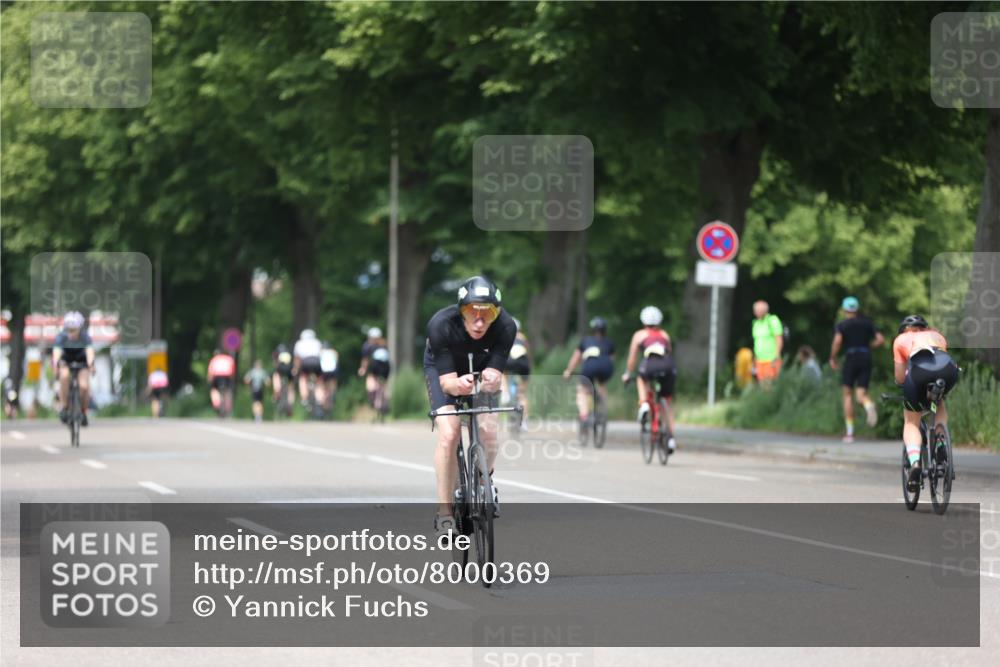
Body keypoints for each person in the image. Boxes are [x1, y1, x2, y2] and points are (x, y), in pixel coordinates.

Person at [424, 276, 516, 536]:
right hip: (445, 371)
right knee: (450, 433)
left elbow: (495, 373)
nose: (479, 322)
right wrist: (458, 385)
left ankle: (484, 483)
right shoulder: (440, 325)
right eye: (472, 313)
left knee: (488, 429)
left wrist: (492, 379)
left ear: (496, 314)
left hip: (481, 367)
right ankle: (444, 514)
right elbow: (447, 384)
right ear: (460, 311)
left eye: (487, 315)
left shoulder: (506, 327)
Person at [892, 315, 959, 491]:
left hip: (919, 372)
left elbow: (900, 377)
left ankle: (915, 462)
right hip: (948, 369)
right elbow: (937, 360)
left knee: (911, 422)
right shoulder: (937, 335)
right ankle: (941, 443)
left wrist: (905, 385)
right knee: (939, 402)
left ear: (904, 330)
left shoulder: (901, 339)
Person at [621, 306, 677, 452]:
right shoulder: (664, 334)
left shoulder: (639, 335)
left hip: (650, 365)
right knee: (666, 403)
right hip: (668, 366)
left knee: (641, 379)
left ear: (643, 321)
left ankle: (644, 403)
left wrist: (628, 373)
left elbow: (632, 359)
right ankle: (671, 439)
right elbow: (669, 352)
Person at [829, 296, 885, 442]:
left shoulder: (842, 325)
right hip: (866, 357)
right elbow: (880, 339)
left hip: (851, 358)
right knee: (861, 394)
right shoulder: (867, 323)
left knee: (847, 394)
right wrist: (869, 346)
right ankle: (869, 405)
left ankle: (849, 432)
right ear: (857, 309)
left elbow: (837, 341)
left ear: (844, 310)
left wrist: (833, 357)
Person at [563, 316, 615, 425]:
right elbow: (611, 359)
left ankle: (585, 415)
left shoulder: (586, 340)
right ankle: (602, 407)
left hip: (590, 367)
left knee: (582, 390)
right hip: (606, 367)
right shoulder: (609, 342)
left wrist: (569, 371)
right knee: (601, 384)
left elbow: (576, 358)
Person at [52, 311, 95, 426]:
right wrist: (55, 365)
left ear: (79, 328)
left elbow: (90, 352)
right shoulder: (61, 336)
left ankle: (83, 411)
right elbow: (56, 352)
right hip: (66, 360)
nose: (70, 332)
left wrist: (91, 364)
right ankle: (65, 407)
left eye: (73, 329)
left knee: (84, 386)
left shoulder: (85, 337)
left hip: (82, 361)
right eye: (68, 329)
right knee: (64, 376)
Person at [503, 318, 531, 420]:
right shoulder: (523, 337)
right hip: (523, 364)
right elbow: (527, 353)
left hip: (510, 362)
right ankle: (524, 421)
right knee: (522, 394)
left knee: (502, 372)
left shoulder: (506, 336)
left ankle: (505, 392)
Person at [358, 327, 390, 412]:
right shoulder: (384, 344)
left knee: (371, 384)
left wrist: (363, 369)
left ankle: (374, 399)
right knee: (383, 385)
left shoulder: (368, 345)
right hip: (386, 368)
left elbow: (365, 359)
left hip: (375, 367)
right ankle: (384, 401)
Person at [751, 300, 784, 385]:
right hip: (759, 360)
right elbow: (757, 342)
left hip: (771, 359)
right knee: (762, 384)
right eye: (755, 310)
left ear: (764, 311)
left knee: (770, 384)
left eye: (758, 310)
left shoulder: (772, 320)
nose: (755, 312)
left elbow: (779, 338)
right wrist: (755, 359)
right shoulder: (756, 323)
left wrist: (777, 356)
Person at [293, 328, 324, 407]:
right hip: (316, 362)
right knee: (319, 382)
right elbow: (322, 355)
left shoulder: (299, 343)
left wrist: (296, 369)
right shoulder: (317, 342)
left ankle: (304, 398)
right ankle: (319, 399)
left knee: (303, 378)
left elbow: (297, 359)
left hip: (305, 362)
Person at [207, 349, 236, 417]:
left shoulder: (214, 359)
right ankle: (227, 405)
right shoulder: (229, 359)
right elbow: (233, 371)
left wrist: (210, 380)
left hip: (217, 377)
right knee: (228, 391)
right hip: (227, 377)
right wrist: (232, 379)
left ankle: (217, 403)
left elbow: (210, 372)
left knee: (214, 390)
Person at [271, 343, 295, 411]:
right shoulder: (289, 353)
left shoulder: (276, 353)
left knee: (276, 375)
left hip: (280, 369)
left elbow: (275, 364)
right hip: (289, 370)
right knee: (290, 388)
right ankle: (290, 404)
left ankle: (276, 393)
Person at [319, 343, 339, 415]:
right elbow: (337, 362)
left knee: (322, 387)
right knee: (332, 383)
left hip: (324, 371)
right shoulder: (334, 352)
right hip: (333, 371)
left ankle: (323, 400)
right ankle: (333, 393)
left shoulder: (321, 352)